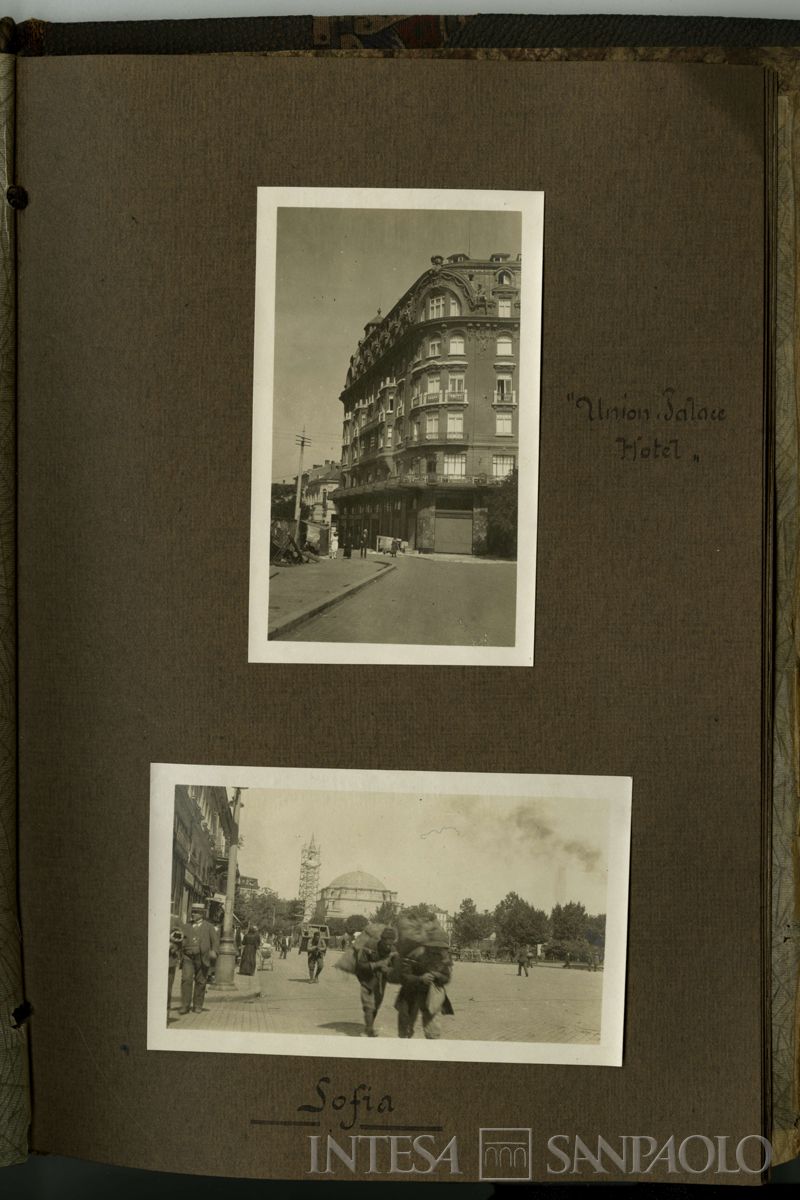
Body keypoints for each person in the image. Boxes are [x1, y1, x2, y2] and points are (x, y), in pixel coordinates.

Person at [395, 943, 453, 1039]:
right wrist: (421, 979)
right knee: (405, 1031)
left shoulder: (440, 955)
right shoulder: (412, 952)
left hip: (431, 996)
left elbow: (446, 978)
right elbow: (403, 976)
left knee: (433, 1033)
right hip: (410, 993)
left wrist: (436, 974)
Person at [355, 926, 398, 1037]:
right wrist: (376, 965)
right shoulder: (370, 947)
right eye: (386, 943)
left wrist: (389, 970)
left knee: (376, 1006)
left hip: (380, 982)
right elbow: (360, 965)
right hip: (366, 979)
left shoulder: (393, 951)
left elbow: (397, 969)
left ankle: (369, 1026)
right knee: (368, 1006)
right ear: (382, 940)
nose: (388, 946)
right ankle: (369, 1030)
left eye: (391, 943)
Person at [179, 902, 220, 1014]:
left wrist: (214, 951)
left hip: (203, 958)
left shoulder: (209, 927)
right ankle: (185, 1005)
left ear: (202, 914)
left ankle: (197, 1005)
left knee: (201, 981)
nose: (193, 914)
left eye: (196, 912)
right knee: (186, 979)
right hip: (188, 957)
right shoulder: (186, 926)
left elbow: (215, 942)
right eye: (192, 912)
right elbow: (180, 939)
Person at [168, 923, 184, 1019]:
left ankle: (166, 1013)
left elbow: (177, 946)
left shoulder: (175, 930)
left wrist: (173, 946)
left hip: (169, 964)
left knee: (167, 990)